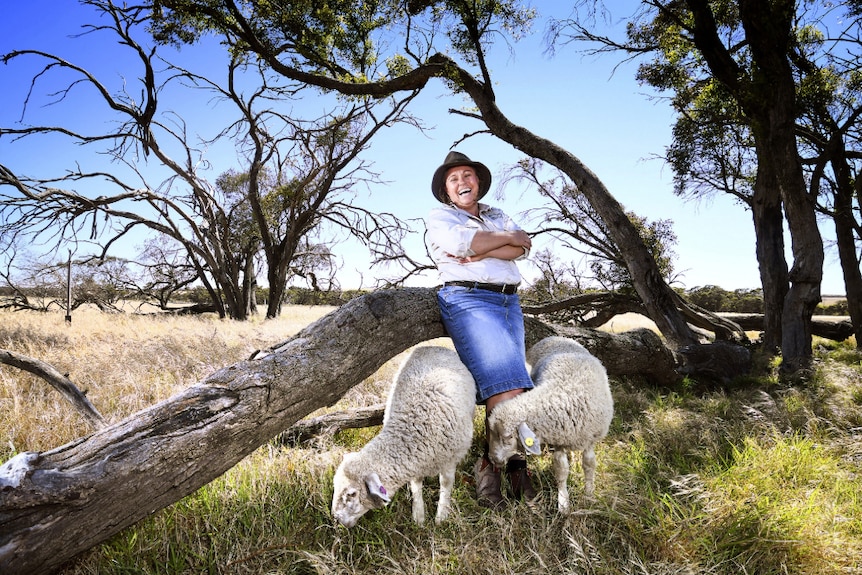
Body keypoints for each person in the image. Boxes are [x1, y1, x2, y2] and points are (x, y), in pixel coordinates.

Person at [425, 150, 537, 509]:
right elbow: (465, 244)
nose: (463, 182)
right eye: (454, 178)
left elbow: (523, 247)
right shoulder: (440, 215)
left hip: (509, 302)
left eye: (468, 176)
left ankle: (510, 461)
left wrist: (487, 249)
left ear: (478, 182)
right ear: (446, 189)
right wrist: (500, 241)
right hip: (468, 300)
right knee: (508, 385)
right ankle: (494, 463)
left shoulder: (496, 214)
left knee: (506, 384)